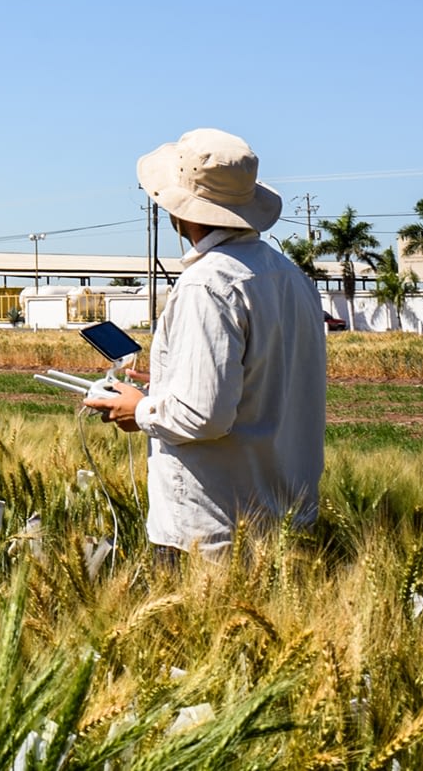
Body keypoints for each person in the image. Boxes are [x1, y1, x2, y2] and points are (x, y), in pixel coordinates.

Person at [84, 128, 326, 557]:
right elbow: (262, 380)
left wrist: (137, 409)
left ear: (180, 210)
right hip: (287, 519)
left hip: (212, 530)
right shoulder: (290, 276)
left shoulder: (208, 284)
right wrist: (168, 382)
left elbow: (204, 416)